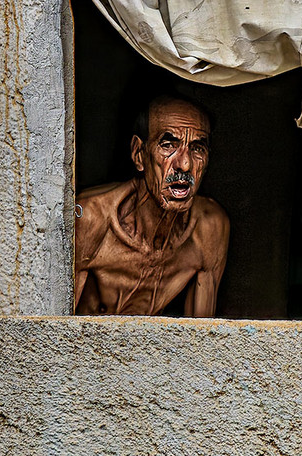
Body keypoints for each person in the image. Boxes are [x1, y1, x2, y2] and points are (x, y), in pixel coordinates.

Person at [73, 94, 229, 316]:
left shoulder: (209, 227)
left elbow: (201, 337)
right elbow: (55, 330)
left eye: (197, 149)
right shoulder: (91, 218)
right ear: (139, 154)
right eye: (168, 145)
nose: (184, 164)